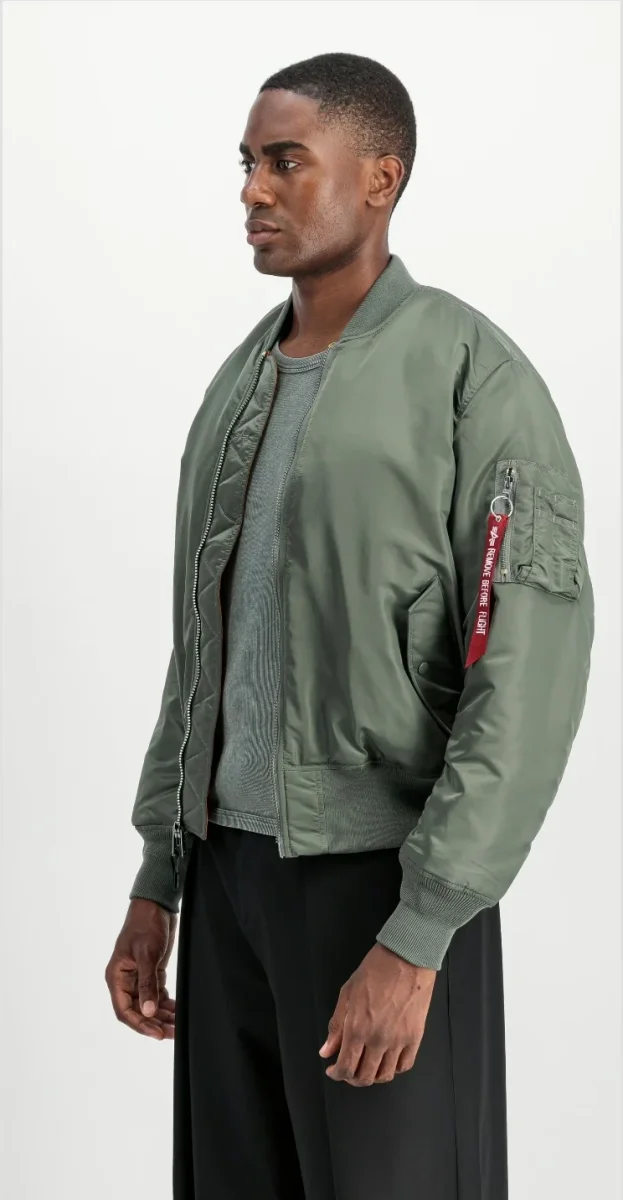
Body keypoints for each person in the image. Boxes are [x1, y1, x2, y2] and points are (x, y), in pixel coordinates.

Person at [105, 51, 594, 1200]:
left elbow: (523, 673)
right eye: (245, 164)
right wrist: (158, 877)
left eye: (285, 162)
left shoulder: (473, 376)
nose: (252, 190)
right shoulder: (238, 386)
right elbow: (200, 654)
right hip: (225, 882)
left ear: (381, 176)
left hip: (378, 887)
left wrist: (420, 934)